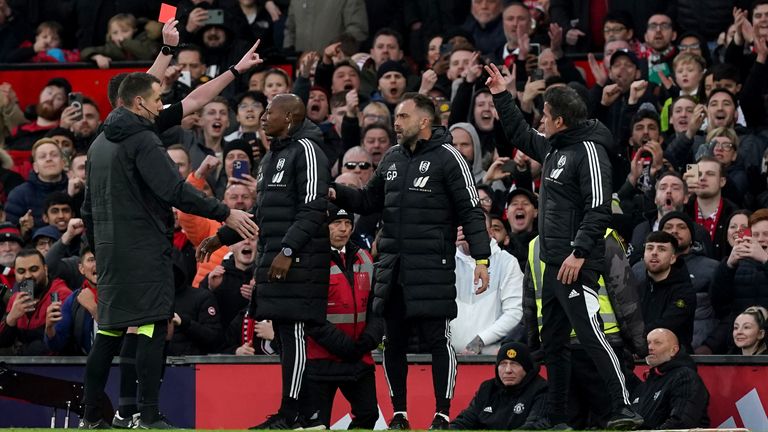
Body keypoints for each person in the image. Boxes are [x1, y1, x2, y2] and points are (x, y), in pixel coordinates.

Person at [79, 72, 257, 429]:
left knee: (110, 332)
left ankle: (89, 418)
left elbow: (86, 207)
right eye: (158, 99)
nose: (162, 105)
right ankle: (147, 415)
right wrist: (226, 212)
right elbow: (174, 190)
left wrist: (95, 247)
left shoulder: (99, 143)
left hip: (111, 251)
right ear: (140, 102)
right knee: (152, 328)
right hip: (144, 248)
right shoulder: (142, 139)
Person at [485, 63, 642, 429]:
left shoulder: (588, 151)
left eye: (545, 115)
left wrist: (579, 253)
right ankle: (557, 417)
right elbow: (521, 134)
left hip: (575, 262)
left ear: (559, 121)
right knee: (553, 345)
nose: (540, 121)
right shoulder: (557, 148)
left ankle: (623, 406)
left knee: (590, 334)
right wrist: (500, 95)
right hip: (554, 265)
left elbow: (599, 207)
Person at [331, 92, 490, 429]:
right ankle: (400, 413)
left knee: (438, 341)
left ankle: (442, 414)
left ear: (424, 121)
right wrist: (337, 192)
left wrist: (482, 259)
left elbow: (471, 211)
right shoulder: (391, 158)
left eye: (402, 118)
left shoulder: (449, 158)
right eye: (396, 118)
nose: (396, 124)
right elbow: (367, 200)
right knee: (394, 342)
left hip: (432, 267)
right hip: (393, 268)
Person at [199, 93, 331, 429]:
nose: (262, 116)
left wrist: (288, 251)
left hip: (300, 260)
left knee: (296, 335)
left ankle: (292, 413)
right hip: (275, 260)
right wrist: (223, 236)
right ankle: (299, 414)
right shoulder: (272, 158)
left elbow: (314, 209)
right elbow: (261, 214)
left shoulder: (308, 151)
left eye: (269, 111)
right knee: (287, 336)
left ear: (289, 118)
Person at [297, 205, 384, 429]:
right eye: (336, 223)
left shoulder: (364, 257)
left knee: (368, 416)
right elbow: (310, 316)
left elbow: (377, 305)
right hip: (322, 360)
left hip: (359, 358)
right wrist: (346, 346)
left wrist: (369, 339)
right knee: (316, 425)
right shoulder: (311, 262)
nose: (343, 229)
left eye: (347, 224)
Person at [451, 219, 523, 355]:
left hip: (490, 357)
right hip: (447, 357)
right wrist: (446, 251)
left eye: (476, 229)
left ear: (490, 233)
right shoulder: (445, 261)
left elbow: (515, 312)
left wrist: (481, 340)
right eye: (465, 228)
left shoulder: (507, 262)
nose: (470, 234)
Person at [448, 341, 548, 430]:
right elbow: (465, 420)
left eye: (514, 364)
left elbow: (533, 426)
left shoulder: (541, 389)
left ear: (526, 368)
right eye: (503, 364)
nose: (508, 370)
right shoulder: (488, 388)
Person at [631, 328, 710, 429]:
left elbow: (681, 423)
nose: (650, 347)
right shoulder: (648, 381)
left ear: (674, 350)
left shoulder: (685, 377)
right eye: (648, 343)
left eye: (657, 343)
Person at [0, 249, 72, 355]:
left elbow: (58, 344)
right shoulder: (15, 299)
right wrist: (11, 318)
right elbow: (3, 342)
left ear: (45, 269)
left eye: (34, 269)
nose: (28, 276)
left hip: (54, 367)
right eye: (21, 271)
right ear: (15, 274)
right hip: (23, 365)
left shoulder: (60, 294)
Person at [637, 231, 697, 352]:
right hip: (639, 358)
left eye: (661, 249)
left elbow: (668, 323)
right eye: (650, 248)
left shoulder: (684, 291)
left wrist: (635, 338)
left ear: (673, 258)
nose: (654, 253)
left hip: (675, 359)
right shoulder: (636, 288)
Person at [44, 246, 98, 355]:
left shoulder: (124, 295)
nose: (97, 264)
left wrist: (94, 310)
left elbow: (125, 341)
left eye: (102, 258)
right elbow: (57, 345)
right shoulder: (74, 300)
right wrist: (49, 328)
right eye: (91, 260)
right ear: (81, 269)